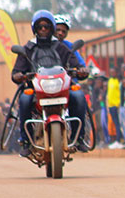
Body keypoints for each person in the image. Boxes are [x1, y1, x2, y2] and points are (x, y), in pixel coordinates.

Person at [11, 10, 88, 156]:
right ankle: (26, 140)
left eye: (47, 26)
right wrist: (18, 75)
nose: (44, 30)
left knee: (78, 96)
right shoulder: (28, 49)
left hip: (61, 89)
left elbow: (75, 64)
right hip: (36, 91)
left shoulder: (61, 47)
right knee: (24, 99)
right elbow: (15, 72)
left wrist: (81, 70)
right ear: (35, 29)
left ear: (51, 27)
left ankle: (80, 138)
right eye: (40, 27)